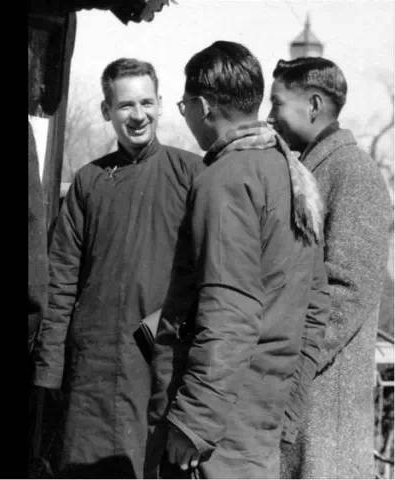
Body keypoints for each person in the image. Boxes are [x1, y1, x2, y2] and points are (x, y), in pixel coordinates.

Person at [147, 41, 331, 478]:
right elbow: (315, 308)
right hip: (260, 420)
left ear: (204, 106)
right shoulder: (292, 175)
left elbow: (230, 312)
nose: (187, 116)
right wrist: (287, 411)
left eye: (185, 106)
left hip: (214, 435)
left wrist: (193, 422)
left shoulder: (227, 178)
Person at [32, 57, 204, 478]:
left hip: (157, 364)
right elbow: (61, 280)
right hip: (91, 368)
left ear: (160, 103)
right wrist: (49, 371)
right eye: (125, 105)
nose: (138, 115)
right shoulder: (89, 180)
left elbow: (211, 278)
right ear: (106, 110)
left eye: (146, 102)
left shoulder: (192, 174)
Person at [268, 56, 391, 479]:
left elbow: (349, 290)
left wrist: (286, 364)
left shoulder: (354, 172)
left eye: (277, 103)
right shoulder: (313, 167)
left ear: (314, 104)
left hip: (325, 415)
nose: (269, 116)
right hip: (304, 406)